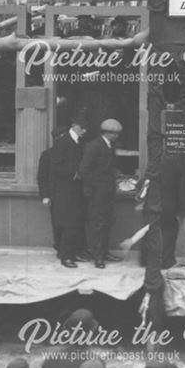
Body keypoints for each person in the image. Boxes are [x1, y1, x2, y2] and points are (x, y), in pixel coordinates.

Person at [80, 119, 124, 269]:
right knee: (97, 224)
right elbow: (85, 169)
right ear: (107, 133)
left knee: (106, 222)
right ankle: (98, 256)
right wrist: (95, 188)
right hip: (97, 194)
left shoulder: (109, 146)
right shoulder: (94, 146)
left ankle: (104, 252)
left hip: (107, 192)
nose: (117, 136)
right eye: (115, 134)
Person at [48, 114, 88, 268]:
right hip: (64, 191)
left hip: (74, 191)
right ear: (76, 126)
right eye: (83, 128)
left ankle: (71, 253)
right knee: (66, 224)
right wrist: (74, 174)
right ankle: (66, 257)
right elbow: (56, 166)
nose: (85, 131)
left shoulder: (77, 142)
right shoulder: (63, 142)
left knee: (73, 223)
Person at [160, 152, 185, 269]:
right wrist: (184, 215)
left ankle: (152, 260)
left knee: (157, 231)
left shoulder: (164, 161)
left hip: (155, 201)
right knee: (170, 229)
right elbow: (184, 190)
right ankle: (167, 261)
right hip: (169, 203)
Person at [37, 128, 64, 257]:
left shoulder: (73, 153)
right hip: (55, 195)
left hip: (72, 195)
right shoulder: (47, 154)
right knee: (58, 223)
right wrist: (45, 196)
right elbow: (42, 176)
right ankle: (60, 247)